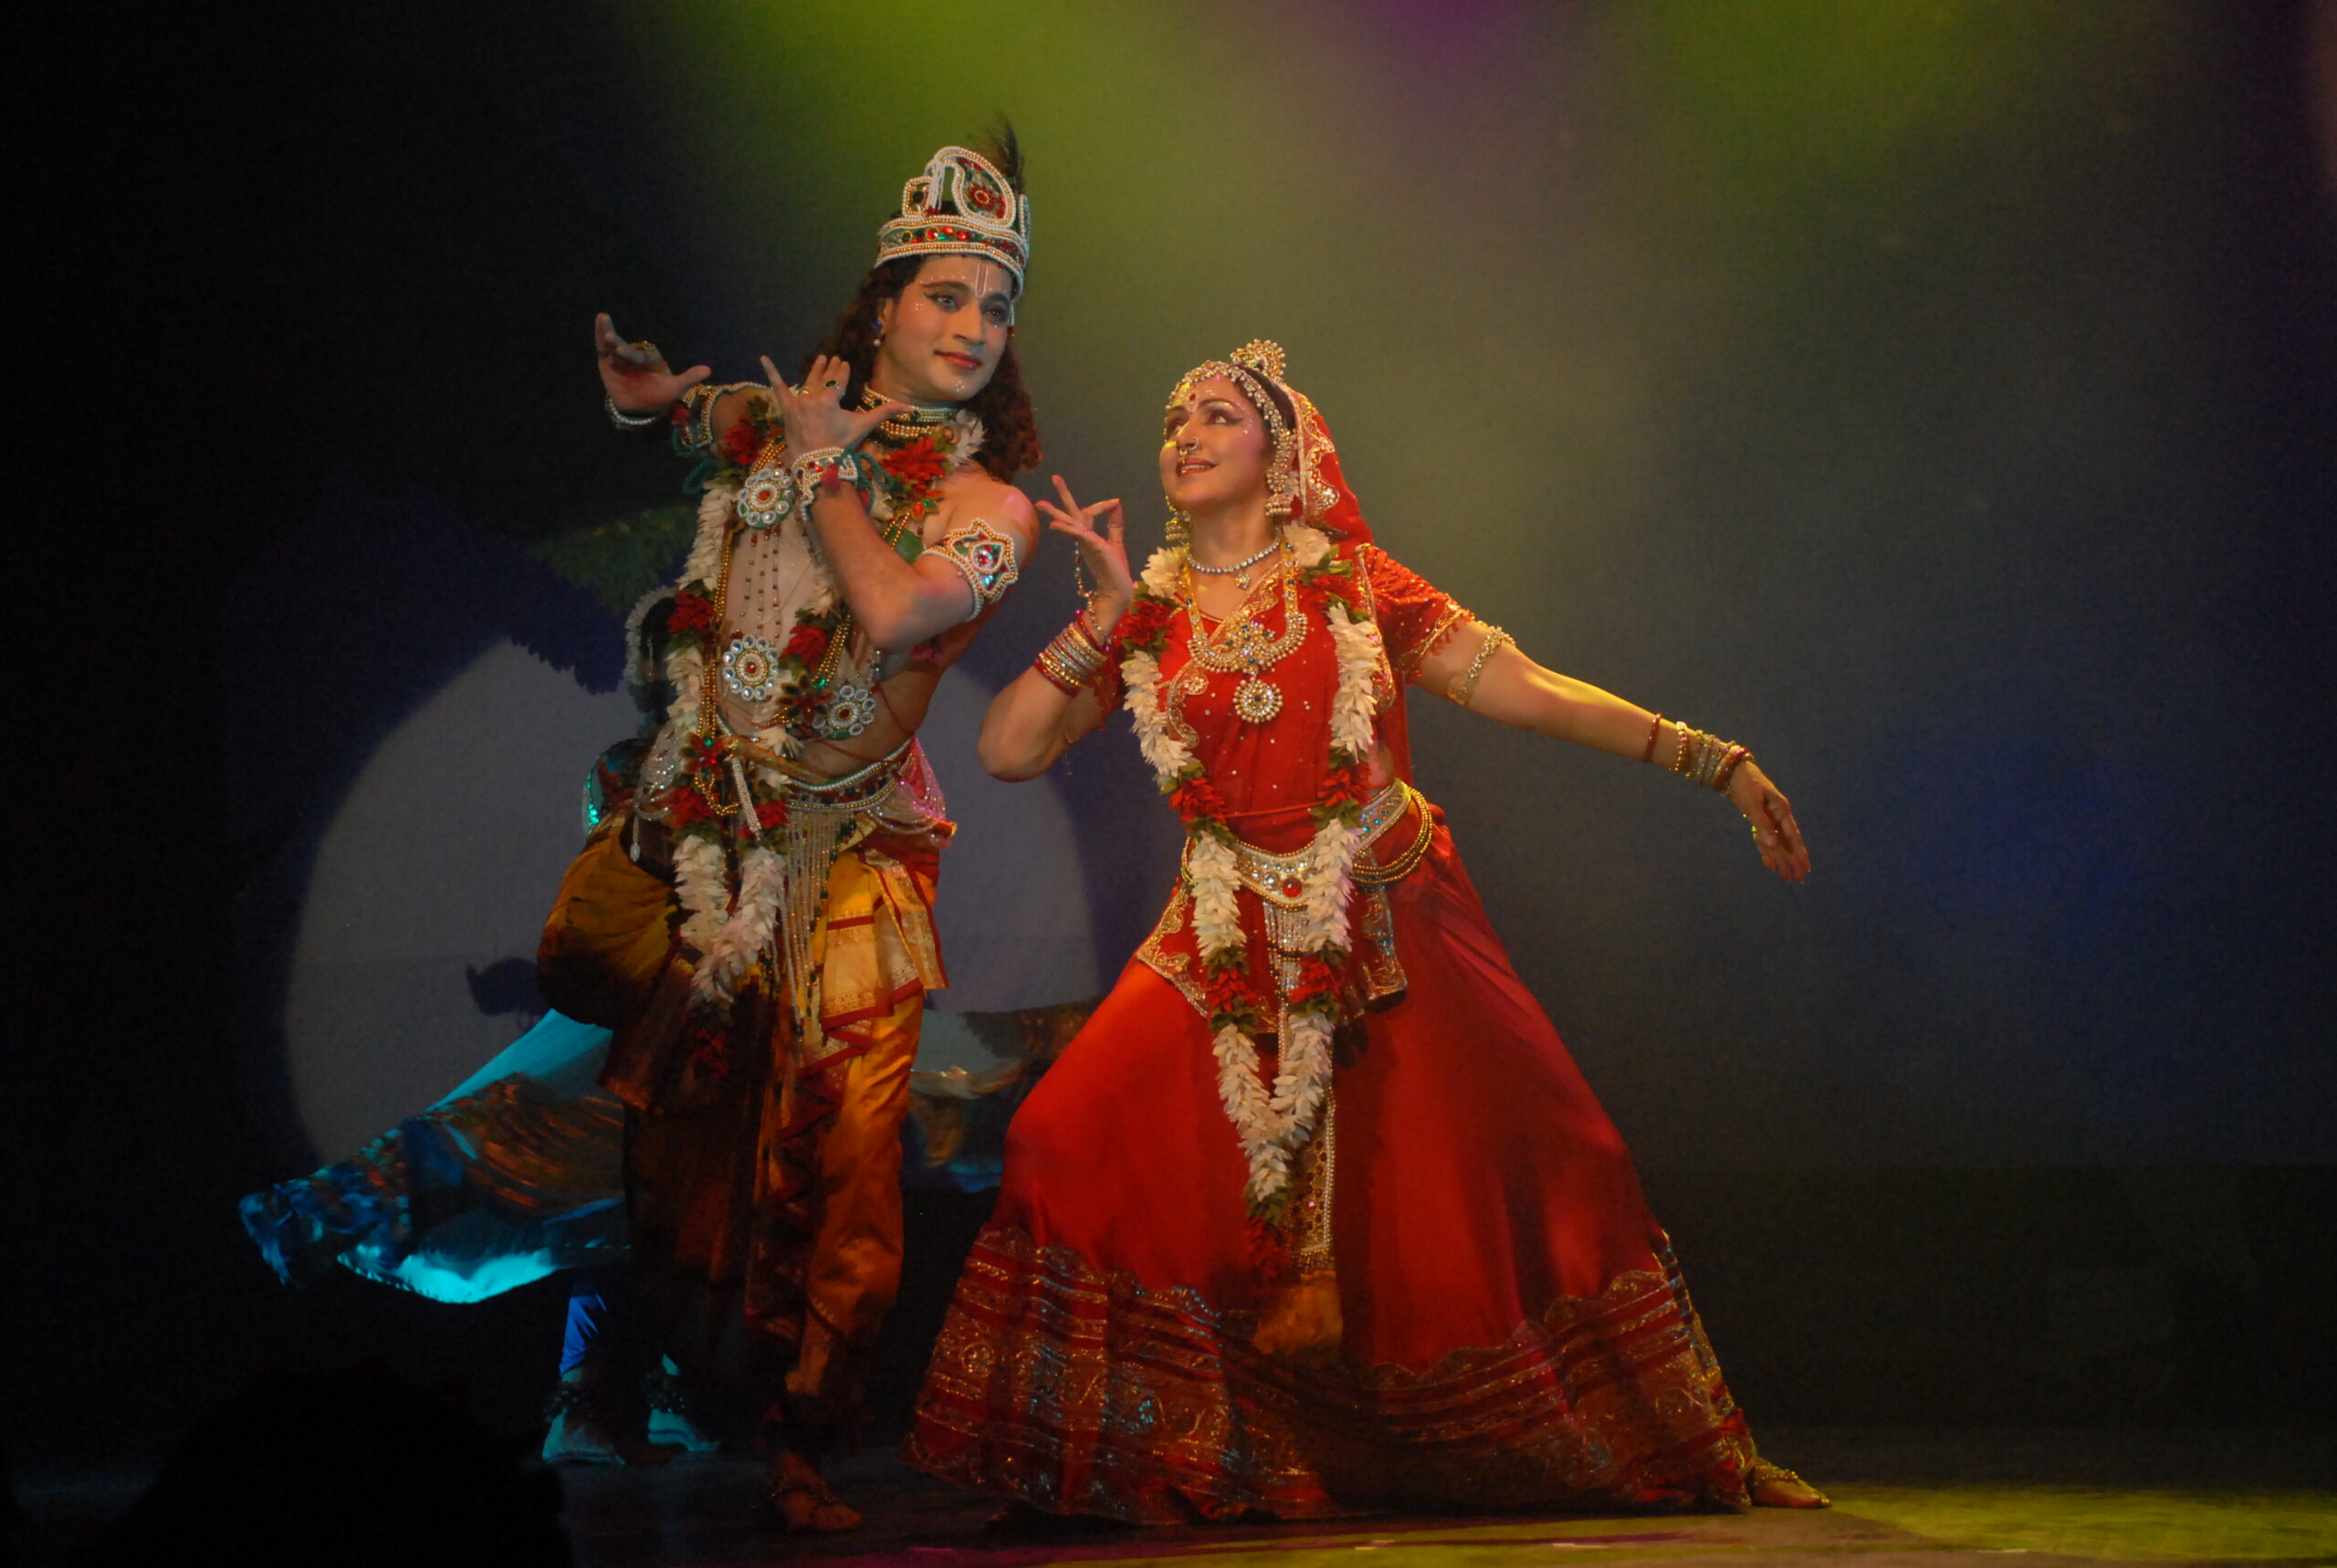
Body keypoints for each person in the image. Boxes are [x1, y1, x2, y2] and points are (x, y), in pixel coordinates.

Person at [906, 340, 1827, 1521]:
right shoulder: (1152, 613)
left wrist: (1714, 762)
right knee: (1058, 1139)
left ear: (1283, 451)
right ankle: (1138, 1450)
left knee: (1565, 1159)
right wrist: (1103, 616)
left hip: (1392, 915)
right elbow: (1005, 749)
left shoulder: (1356, 585)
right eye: (1175, 418)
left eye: (1218, 415)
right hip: (1223, 932)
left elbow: (1529, 689)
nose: (1186, 434)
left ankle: (1681, 1440)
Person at [535, 137, 1043, 1530]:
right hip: (710, 823)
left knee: (852, 1151)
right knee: (689, 1147)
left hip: (853, 851)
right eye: (947, 297)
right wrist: (651, 398)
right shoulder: (779, 421)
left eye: (996, 310)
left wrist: (826, 473)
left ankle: (810, 1435)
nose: (974, 328)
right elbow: (693, 418)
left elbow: (894, 611)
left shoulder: (989, 507)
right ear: (882, 307)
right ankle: (672, 1384)